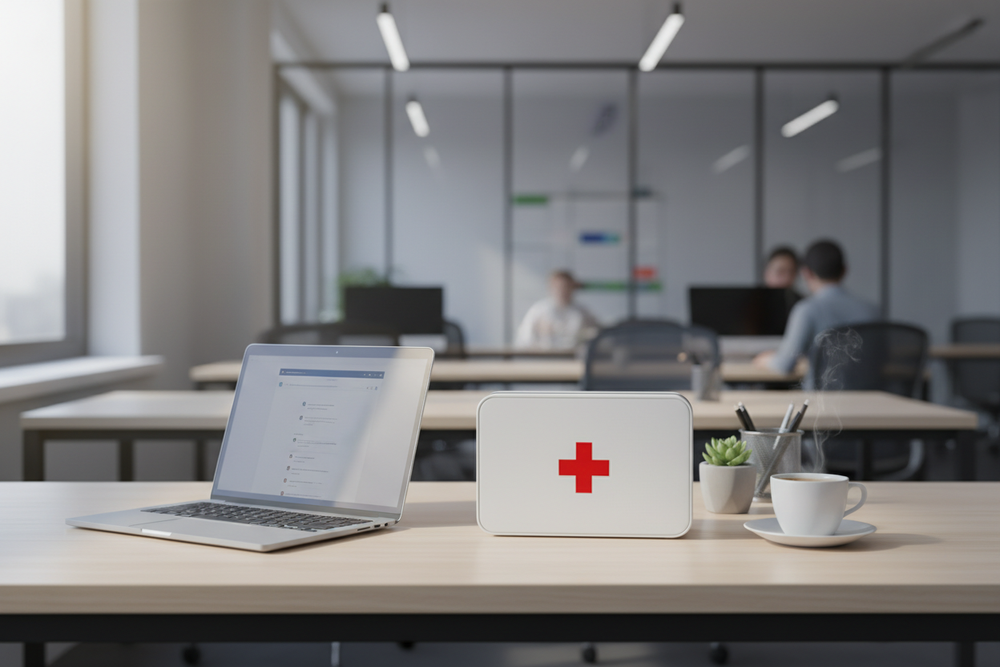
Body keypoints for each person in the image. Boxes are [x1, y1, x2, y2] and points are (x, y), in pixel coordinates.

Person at [755, 240, 878, 377]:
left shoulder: (806, 309)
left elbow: (784, 365)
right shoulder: (872, 310)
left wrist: (765, 359)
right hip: (868, 395)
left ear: (806, 273)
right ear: (844, 270)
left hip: (822, 397)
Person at [516, 270, 600, 350]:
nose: (562, 290)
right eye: (558, 287)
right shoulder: (538, 310)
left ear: (572, 288)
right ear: (551, 287)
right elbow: (525, 337)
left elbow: (598, 332)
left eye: (566, 286)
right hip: (544, 359)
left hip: (574, 358)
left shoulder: (583, 311)